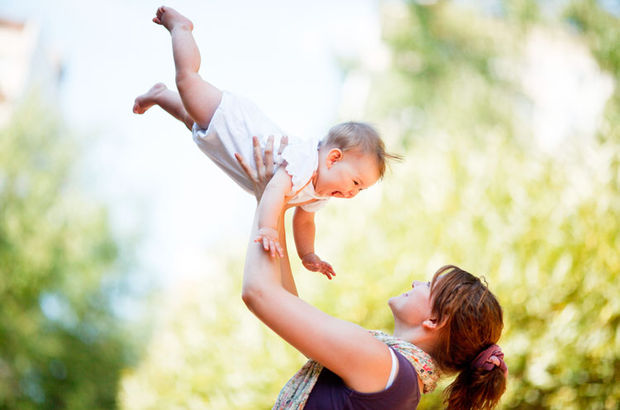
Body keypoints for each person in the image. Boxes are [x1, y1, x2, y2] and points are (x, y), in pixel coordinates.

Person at [133, 6, 400, 280]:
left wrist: (308, 254)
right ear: (333, 158)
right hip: (233, 123)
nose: (354, 193)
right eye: (356, 182)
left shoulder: (320, 192)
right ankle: (181, 28)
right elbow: (274, 190)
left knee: (189, 117)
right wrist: (269, 228)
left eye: (361, 189)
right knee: (188, 83)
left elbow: (305, 220)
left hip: (225, 144)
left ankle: (159, 94)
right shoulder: (306, 161)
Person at [237, 146, 508, 409]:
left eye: (428, 285)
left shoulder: (385, 367)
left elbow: (259, 293)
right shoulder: (399, 380)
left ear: (434, 319)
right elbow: (286, 304)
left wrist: (266, 202)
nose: (416, 283)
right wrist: (275, 210)